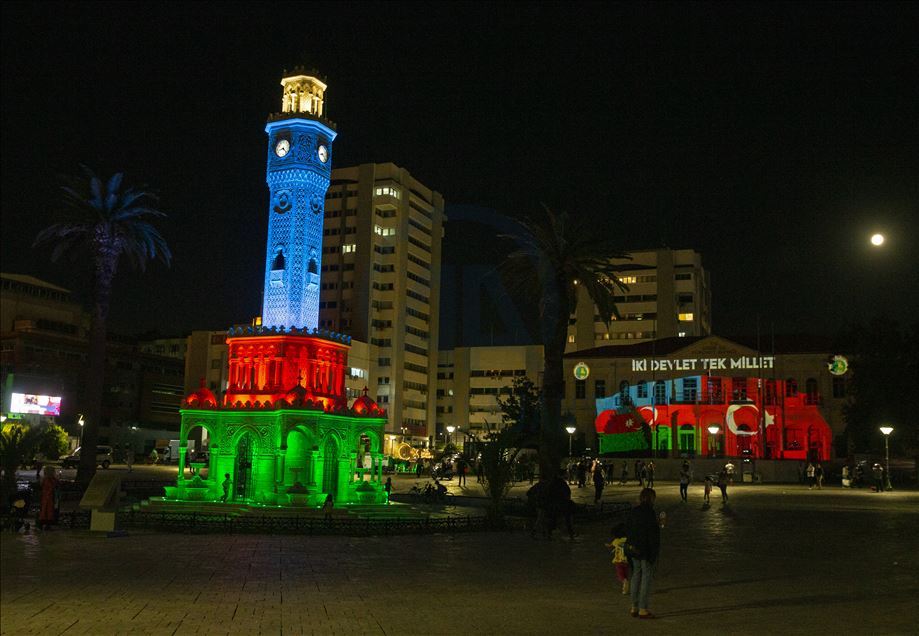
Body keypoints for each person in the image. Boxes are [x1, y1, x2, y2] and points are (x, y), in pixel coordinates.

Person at [625, 488, 661, 619]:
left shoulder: (634, 511)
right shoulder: (650, 513)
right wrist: (654, 552)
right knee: (646, 578)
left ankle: (634, 607)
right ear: (651, 498)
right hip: (645, 550)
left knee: (635, 575)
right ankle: (643, 608)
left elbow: (627, 528)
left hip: (634, 549)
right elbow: (652, 535)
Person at [605, 522, 631, 595]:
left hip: (618, 561)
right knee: (626, 573)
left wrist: (608, 545)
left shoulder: (616, 541)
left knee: (620, 574)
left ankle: (624, 582)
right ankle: (625, 588)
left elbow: (611, 545)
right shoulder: (627, 540)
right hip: (626, 560)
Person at [38, 466, 59, 531]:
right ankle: (46, 524)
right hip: (48, 497)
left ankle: (44, 523)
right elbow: (51, 488)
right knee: (48, 511)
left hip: (47, 497)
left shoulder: (47, 479)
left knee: (46, 511)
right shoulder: (49, 480)